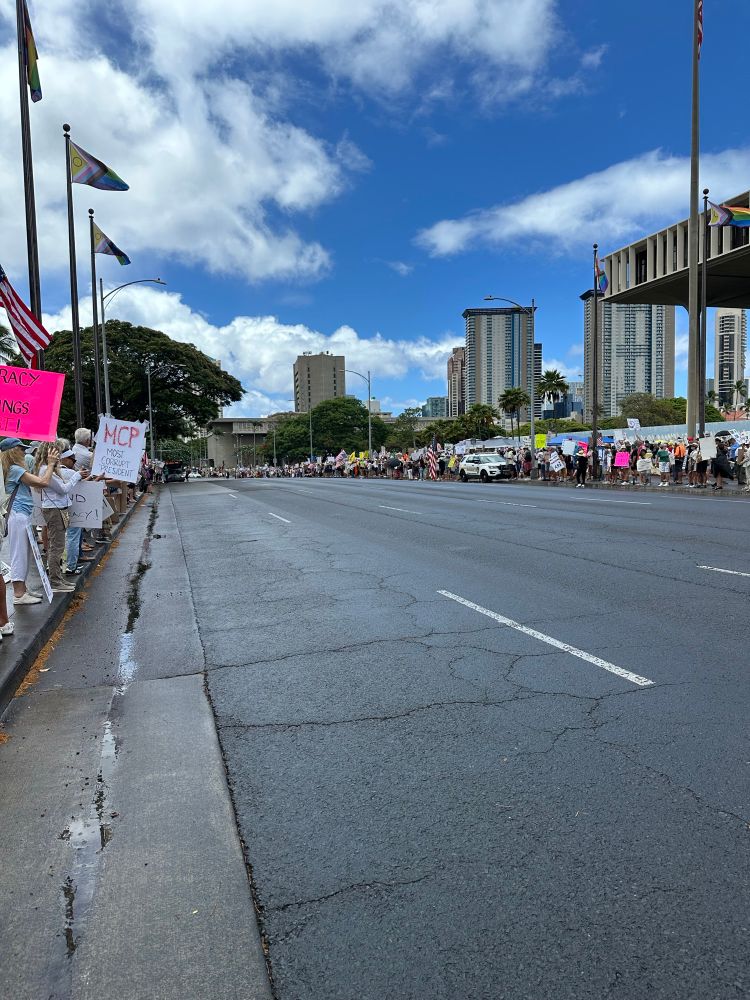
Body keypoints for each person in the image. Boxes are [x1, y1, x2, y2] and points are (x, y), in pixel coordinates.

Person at [0, 438, 60, 604]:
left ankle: (22, 589)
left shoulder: (10, 469)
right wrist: (50, 464)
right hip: (18, 514)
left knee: (23, 552)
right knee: (19, 553)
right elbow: (43, 482)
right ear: (13, 452)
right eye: (20, 449)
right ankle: (19, 593)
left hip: (18, 514)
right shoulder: (14, 469)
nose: (24, 452)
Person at [36, 444, 85, 593]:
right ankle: (55, 582)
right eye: (56, 452)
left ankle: (57, 579)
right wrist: (77, 476)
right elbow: (63, 489)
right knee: (56, 547)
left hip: (56, 509)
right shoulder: (46, 469)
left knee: (57, 546)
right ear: (49, 454)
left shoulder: (48, 468)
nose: (59, 455)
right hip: (55, 510)